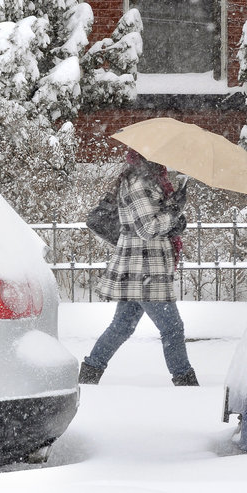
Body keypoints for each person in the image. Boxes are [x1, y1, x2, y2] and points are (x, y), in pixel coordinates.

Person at [79, 150, 198, 386]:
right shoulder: (139, 183)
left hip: (142, 267)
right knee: (172, 328)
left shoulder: (151, 181)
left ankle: (89, 376)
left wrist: (176, 201)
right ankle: (186, 383)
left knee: (122, 326)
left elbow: (155, 217)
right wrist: (174, 211)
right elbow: (148, 228)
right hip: (145, 269)